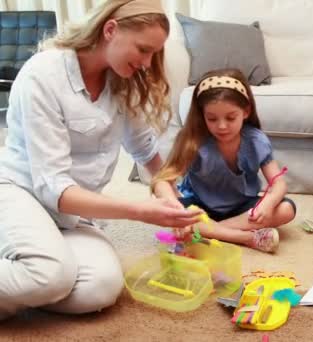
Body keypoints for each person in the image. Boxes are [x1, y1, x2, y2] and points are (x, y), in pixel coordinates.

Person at [0, 0, 204, 320]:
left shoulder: (122, 82)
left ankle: (30, 275)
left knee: (101, 287)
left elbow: (147, 153)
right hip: (22, 193)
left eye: (154, 54)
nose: (148, 63)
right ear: (110, 30)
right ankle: (36, 270)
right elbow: (55, 188)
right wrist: (140, 211)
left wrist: (171, 203)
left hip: (76, 213)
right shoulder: (43, 75)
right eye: (143, 49)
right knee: (52, 274)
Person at [151, 68, 296, 253]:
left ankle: (212, 232)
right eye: (212, 118)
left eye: (230, 117)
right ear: (202, 115)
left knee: (286, 208)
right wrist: (174, 207)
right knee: (174, 211)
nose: (221, 126)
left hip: (241, 207)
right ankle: (245, 237)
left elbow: (279, 183)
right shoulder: (193, 141)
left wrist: (268, 203)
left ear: (246, 111)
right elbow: (162, 180)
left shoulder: (256, 140)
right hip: (200, 209)